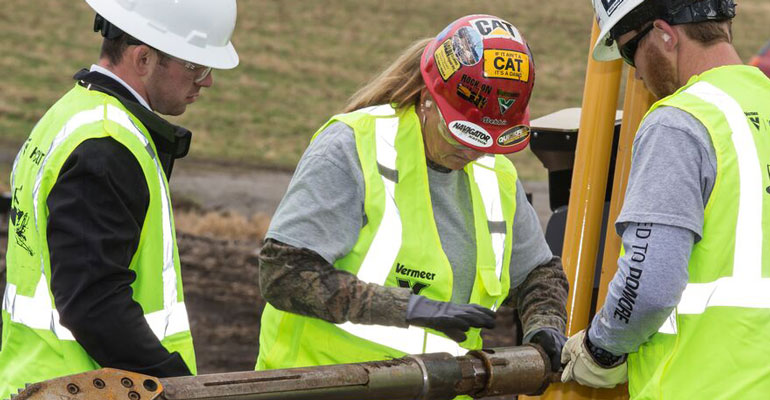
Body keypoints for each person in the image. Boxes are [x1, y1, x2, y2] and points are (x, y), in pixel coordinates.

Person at [256, 14, 569, 379]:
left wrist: (545, 325)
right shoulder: (352, 148)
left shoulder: (495, 176)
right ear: (427, 99)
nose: (472, 153)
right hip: (329, 384)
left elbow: (539, 274)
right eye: (461, 135)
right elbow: (284, 274)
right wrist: (407, 308)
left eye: (486, 141)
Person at [0, 0, 238, 396]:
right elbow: (94, 303)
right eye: (196, 66)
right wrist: (178, 387)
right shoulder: (108, 142)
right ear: (143, 58)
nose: (207, 81)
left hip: (42, 380)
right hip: (84, 389)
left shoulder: (71, 114)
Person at [561, 0, 770, 398]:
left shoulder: (680, 121)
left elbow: (649, 285)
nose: (636, 72)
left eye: (629, 50)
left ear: (664, 34)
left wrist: (601, 349)